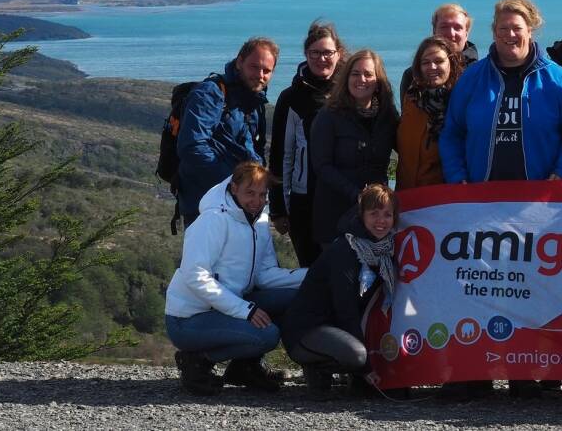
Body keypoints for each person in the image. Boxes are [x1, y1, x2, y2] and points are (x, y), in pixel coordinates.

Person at [439, 0, 562, 400]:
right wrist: (458, 180)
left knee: (526, 288)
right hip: (480, 202)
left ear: (531, 29)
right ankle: (473, 371)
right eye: (501, 29)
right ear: (494, 33)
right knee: (477, 287)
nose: (508, 35)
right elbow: (452, 133)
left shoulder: (555, 77)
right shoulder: (473, 77)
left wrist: (561, 173)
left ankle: (523, 373)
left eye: (516, 28)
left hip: (534, 205)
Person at [165, 162, 306, 396]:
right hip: (188, 319)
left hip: (225, 307)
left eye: (262, 194)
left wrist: (313, 276)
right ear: (233, 188)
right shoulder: (213, 220)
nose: (257, 200)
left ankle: (244, 368)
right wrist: (245, 310)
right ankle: (196, 360)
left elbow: (264, 274)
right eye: (249, 193)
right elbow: (195, 275)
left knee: (292, 298)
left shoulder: (258, 220)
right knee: (267, 334)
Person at [283, 184, 397, 398]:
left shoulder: (384, 252)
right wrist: (366, 369)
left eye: (387, 215)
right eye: (374, 214)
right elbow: (346, 309)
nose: (381, 221)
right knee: (357, 356)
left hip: (337, 328)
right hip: (307, 330)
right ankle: (317, 368)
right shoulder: (346, 250)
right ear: (361, 215)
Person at [176, 37, 277, 226]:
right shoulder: (211, 93)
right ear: (239, 62)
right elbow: (192, 147)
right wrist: (235, 184)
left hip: (240, 203)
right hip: (206, 205)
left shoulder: (253, 101)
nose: (260, 75)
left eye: (267, 71)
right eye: (254, 67)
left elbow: (252, 149)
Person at [269, 21, 345, 267]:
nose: (322, 59)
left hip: (346, 197)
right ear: (306, 54)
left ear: (339, 54)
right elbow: (282, 154)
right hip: (305, 200)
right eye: (315, 53)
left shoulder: (353, 91)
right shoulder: (292, 98)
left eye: (327, 53)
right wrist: (279, 209)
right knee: (311, 272)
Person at [309, 49, 398, 248]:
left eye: (368, 74)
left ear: (378, 81)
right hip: (335, 212)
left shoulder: (388, 116)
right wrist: (356, 194)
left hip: (376, 217)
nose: (361, 79)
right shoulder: (328, 115)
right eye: (355, 74)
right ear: (346, 78)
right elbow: (322, 166)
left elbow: (406, 150)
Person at [396, 36, 463, 189]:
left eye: (439, 61)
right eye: (425, 62)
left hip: (442, 200)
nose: (432, 67)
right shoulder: (411, 99)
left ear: (451, 63)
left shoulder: (461, 103)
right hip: (406, 198)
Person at [398, 3, 478, 99]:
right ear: (434, 31)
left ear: (466, 34)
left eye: (457, 28)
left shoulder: (479, 73)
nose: (451, 33)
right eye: (444, 27)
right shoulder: (413, 76)